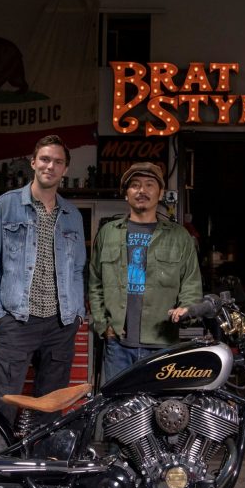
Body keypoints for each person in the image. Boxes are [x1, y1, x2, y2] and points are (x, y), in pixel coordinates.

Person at [0, 135, 86, 422]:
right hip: (16, 320)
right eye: (45, 159)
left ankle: (42, 464)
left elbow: (77, 269)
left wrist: (77, 314)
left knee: (51, 405)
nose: (50, 166)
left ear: (65, 169)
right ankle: (0, 463)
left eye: (58, 162)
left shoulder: (72, 215)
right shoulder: (5, 206)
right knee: (5, 401)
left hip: (60, 323)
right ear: (34, 162)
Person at [89, 161, 202, 382]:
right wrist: (103, 325)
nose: (142, 190)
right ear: (126, 194)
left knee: (162, 412)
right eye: (135, 185)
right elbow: (95, 283)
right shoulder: (108, 233)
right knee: (118, 411)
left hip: (162, 343)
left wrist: (186, 309)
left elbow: (191, 283)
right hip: (118, 344)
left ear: (160, 194)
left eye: (150, 185)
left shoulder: (179, 236)